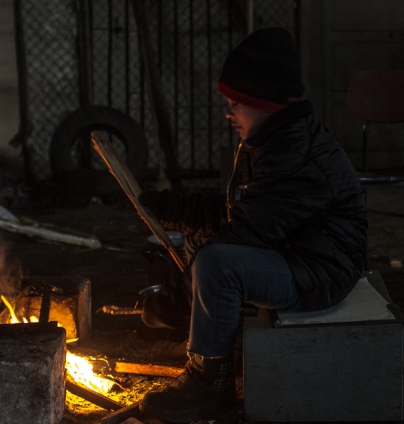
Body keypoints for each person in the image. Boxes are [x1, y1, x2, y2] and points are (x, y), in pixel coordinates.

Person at [137, 27, 367, 423]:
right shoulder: (274, 140)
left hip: (319, 272)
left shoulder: (295, 156)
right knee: (205, 248)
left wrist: (177, 298)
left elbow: (248, 233)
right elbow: (243, 214)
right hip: (296, 256)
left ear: (264, 104)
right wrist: (177, 209)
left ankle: (210, 383)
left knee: (217, 265)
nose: (228, 113)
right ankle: (211, 347)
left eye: (235, 104)